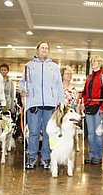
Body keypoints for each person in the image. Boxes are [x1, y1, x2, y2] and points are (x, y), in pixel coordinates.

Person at [19, 41, 65, 169]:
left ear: (48, 51)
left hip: (50, 105)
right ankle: (32, 158)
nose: (44, 50)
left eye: (46, 48)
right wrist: (22, 90)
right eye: (42, 48)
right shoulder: (29, 66)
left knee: (48, 133)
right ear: (37, 50)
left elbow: (59, 86)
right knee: (33, 132)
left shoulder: (54, 67)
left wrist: (61, 102)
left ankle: (46, 158)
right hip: (33, 104)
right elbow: (22, 83)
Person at [81, 55, 103, 165]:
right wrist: (83, 103)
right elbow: (84, 92)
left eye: (95, 61)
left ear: (100, 63)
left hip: (99, 106)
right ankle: (91, 155)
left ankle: (98, 156)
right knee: (90, 133)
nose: (93, 63)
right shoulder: (89, 77)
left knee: (98, 133)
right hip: (89, 106)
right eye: (92, 61)